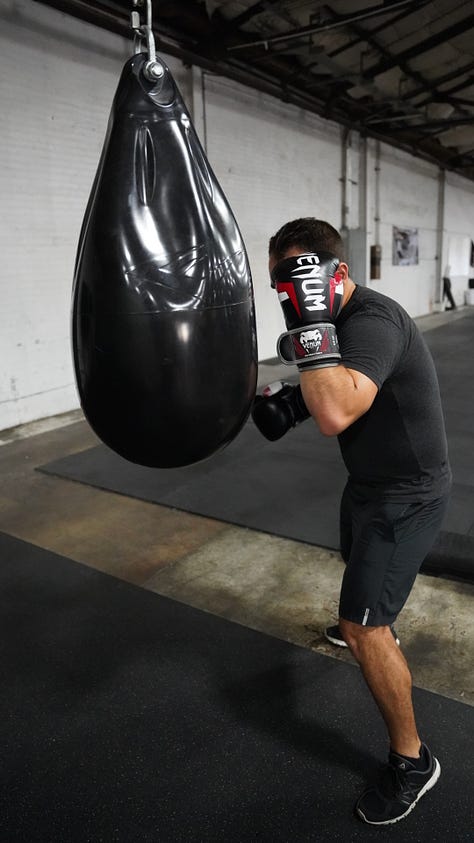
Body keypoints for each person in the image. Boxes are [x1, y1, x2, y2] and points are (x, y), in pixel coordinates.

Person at [252, 218, 452, 826]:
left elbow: (337, 409)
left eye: (298, 283)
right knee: (353, 562)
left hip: (407, 496)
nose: (291, 299)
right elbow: (324, 387)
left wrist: (310, 336)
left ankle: (413, 762)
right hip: (368, 485)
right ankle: (368, 612)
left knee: (364, 628)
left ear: (334, 275)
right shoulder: (335, 324)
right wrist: (286, 399)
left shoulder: (371, 321)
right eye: (282, 287)